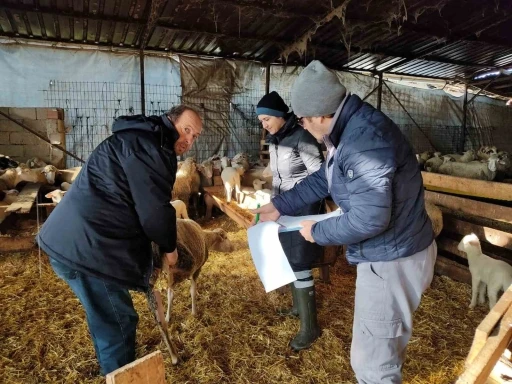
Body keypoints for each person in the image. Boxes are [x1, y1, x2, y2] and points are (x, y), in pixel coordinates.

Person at [252, 61, 436, 383]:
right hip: (391, 249)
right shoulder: (350, 130)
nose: (305, 127)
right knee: (380, 351)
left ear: (322, 113)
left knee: (372, 365)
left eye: (306, 119)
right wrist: (279, 205)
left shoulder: (363, 140)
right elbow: (325, 178)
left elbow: (370, 219)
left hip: (390, 259)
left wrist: (317, 231)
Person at [37, 105, 202, 375]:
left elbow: (135, 204)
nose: (189, 140)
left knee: (104, 313)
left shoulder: (138, 139)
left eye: (195, 136)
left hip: (77, 240)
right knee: (118, 320)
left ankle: (109, 367)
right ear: (170, 121)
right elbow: (153, 211)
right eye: (186, 130)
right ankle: (118, 374)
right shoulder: (150, 149)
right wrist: (169, 248)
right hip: (89, 249)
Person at [256, 91, 325, 351]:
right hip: (284, 208)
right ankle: (298, 307)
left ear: (278, 116)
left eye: (266, 119)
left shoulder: (302, 137)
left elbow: (319, 177)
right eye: (261, 120)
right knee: (290, 258)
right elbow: (278, 179)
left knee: (300, 260)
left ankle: (310, 328)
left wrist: (292, 204)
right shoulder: (276, 140)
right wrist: (273, 204)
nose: (263, 124)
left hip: (304, 208)